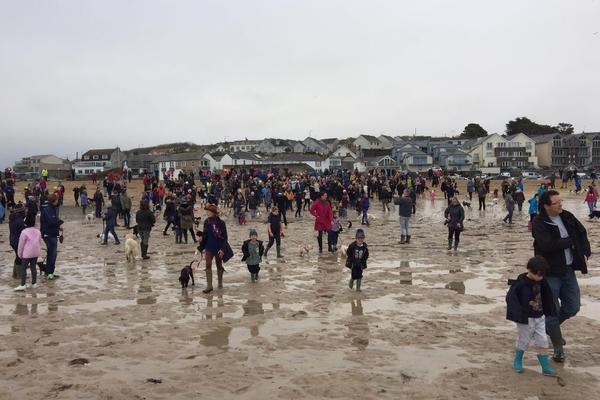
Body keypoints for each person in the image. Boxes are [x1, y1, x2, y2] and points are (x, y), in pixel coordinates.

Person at [532, 190, 591, 363]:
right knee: (552, 311)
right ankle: (558, 349)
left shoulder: (567, 216)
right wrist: (569, 241)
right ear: (546, 206)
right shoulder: (539, 222)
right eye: (556, 202)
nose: (560, 204)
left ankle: (550, 328)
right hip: (550, 272)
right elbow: (547, 245)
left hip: (568, 270)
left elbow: (581, 232)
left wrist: (585, 250)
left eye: (560, 201)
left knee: (573, 307)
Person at [506, 256, 557, 376]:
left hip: (540, 316)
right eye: (538, 275)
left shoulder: (542, 281)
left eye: (542, 275)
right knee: (524, 340)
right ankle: (518, 360)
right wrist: (517, 313)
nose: (540, 277)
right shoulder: (521, 283)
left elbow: (548, 296)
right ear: (529, 270)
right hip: (525, 318)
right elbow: (511, 298)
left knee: (543, 340)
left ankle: (545, 367)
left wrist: (550, 310)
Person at [202, 203, 229, 293]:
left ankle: (220, 283)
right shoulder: (206, 222)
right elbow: (204, 235)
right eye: (207, 211)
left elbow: (225, 237)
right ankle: (209, 286)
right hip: (209, 247)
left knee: (219, 265)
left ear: (213, 212)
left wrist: (223, 249)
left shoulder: (221, 223)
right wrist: (200, 239)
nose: (207, 213)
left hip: (218, 247)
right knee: (208, 264)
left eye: (209, 211)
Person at [14, 217, 42, 291]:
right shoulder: (38, 231)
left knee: (23, 268)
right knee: (33, 268)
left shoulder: (24, 232)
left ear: (25, 223)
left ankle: (23, 284)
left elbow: (21, 245)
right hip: (36, 253)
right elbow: (39, 242)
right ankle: (34, 284)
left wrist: (19, 254)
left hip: (27, 254)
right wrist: (38, 251)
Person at [40, 194, 63, 280]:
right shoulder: (48, 209)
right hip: (48, 234)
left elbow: (52, 221)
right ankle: (49, 274)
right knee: (52, 254)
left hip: (51, 233)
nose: (58, 201)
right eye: (57, 200)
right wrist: (60, 223)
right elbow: (51, 221)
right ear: (54, 201)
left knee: (51, 254)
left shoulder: (51, 208)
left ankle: (49, 272)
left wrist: (58, 227)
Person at [9, 203, 26, 279]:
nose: (25, 212)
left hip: (12, 240)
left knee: (17, 256)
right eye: (24, 211)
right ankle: (19, 275)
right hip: (17, 241)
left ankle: (15, 274)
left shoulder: (12, 219)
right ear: (21, 212)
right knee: (20, 257)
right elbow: (23, 232)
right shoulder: (20, 220)